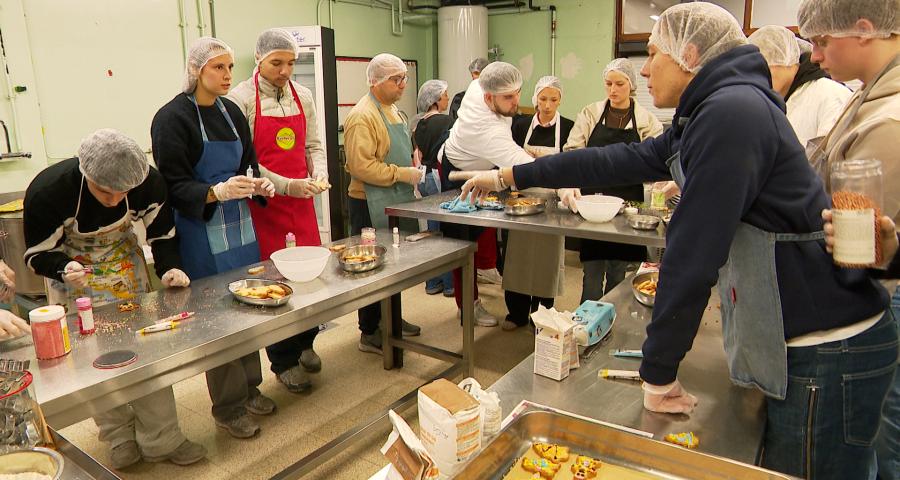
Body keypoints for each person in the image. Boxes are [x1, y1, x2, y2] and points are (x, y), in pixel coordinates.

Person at [459, 3, 897, 478]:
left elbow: (693, 251)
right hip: (803, 336)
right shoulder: (711, 111)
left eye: (652, 55)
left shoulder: (732, 112)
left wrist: (659, 369)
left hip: (826, 346)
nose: (644, 69)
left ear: (688, 53)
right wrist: (508, 174)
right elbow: (608, 162)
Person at [23, 129, 206, 469]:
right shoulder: (50, 192)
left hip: (127, 274)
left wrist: (169, 269)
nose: (114, 199)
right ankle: (118, 436)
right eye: (105, 191)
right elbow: (35, 256)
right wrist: (63, 266)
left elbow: (162, 233)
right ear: (85, 174)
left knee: (148, 354)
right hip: (76, 286)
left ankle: (162, 438)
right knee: (96, 362)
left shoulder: (148, 183)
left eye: (123, 192)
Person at [152, 37, 277, 440]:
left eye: (229, 68)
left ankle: (251, 387)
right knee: (218, 319)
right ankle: (228, 406)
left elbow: (247, 160)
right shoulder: (172, 119)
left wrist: (256, 184)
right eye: (217, 68)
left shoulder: (232, 112)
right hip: (199, 229)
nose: (227, 76)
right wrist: (214, 192)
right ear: (196, 71)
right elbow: (172, 184)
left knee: (249, 305)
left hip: (239, 225)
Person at [797, 1, 900, 477]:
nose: (815, 57)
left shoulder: (890, 118)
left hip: (872, 303)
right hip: (868, 289)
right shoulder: (868, 96)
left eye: (821, 41)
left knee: (879, 444)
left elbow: (868, 247)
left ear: (864, 29)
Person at [227, 28, 328, 394]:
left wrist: (319, 171)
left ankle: (306, 343)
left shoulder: (303, 94)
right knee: (275, 282)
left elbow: (314, 145)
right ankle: (283, 360)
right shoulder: (241, 99)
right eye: (277, 63)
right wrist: (288, 185)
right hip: (265, 204)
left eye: (291, 63)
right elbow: (247, 162)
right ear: (258, 59)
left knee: (310, 279)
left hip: (301, 205)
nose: (285, 70)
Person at [562, 58, 664, 302]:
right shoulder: (591, 113)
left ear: (631, 85)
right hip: (593, 206)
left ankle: (613, 325)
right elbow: (573, 149)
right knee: (593, 270)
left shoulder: (646, 120)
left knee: (620, 271)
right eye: (608, 83)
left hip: (628, 206)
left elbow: (658, 159)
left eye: (619, 83)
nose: (613, 89)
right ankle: (587, 325)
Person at [344, 53, 424, 354]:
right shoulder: (362, 116)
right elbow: (361, 167)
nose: (403, 84)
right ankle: (370, 330)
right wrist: (404, 173)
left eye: (404, 78)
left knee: (395, 266)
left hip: (396, 198)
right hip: (368, 203)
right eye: (396, 79)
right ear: (376, 81)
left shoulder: (394, 111)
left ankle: (392, 319)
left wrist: (412, 160)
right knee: (371, 267)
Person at [501, 76, 574, 330]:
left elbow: (571, 165)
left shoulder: (568, 127)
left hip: (552, 203)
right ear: (535, 99)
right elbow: (507, 159)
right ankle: (517, 313)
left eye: (553, 99)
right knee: (518, 259)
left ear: (560, 100)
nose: (547, 105)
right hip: (521, 201)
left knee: (546, 262)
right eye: (543, 99)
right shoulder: (520, 126)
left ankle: (541, 314)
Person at [748, 25, 852, 150]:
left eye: (766, 67)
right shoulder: (769, 105)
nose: (759, 77)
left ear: (787, 60)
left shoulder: (829, 93)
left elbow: (830, 158)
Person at [411, 79, 455, 297]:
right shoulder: (447, 122)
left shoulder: (418, 124)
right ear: (437, 99)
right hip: (439, 177)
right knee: (445, 232)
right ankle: (449, 284)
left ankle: (431, 282)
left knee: (430, 228)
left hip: (423, 177)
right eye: (445, 94)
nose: (448, 98)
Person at [448, 57, 490, 122]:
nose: (474, 77)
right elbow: (453, 122)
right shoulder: (460, 97)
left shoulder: (496, 97)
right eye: (473, 74)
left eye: (477, 73)